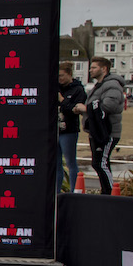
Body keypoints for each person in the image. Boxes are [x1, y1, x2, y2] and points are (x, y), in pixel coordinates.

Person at [75, 56, 124, 194]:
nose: (90, 70)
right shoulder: (99, 86)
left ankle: (109, 192)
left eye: (94, 67)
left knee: (100, 163)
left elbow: (110, 105)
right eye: (90, 67)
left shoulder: (112, 84)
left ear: (104, 69)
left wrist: (85, 108)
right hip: (97, 131)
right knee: (98, 163)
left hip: (107, 132)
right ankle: (106, 191)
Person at [56, 63, 86, 191]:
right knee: (56, 163)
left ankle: (75, 189)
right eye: (58, 76)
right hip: (55, 129)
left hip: (69, 130)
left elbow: (75, 109)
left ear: (69, 74)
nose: (59, 79)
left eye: (62, 76)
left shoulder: (78, 89)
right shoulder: (56, 87)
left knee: (70, 162)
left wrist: (62, 101)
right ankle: (56, 191)